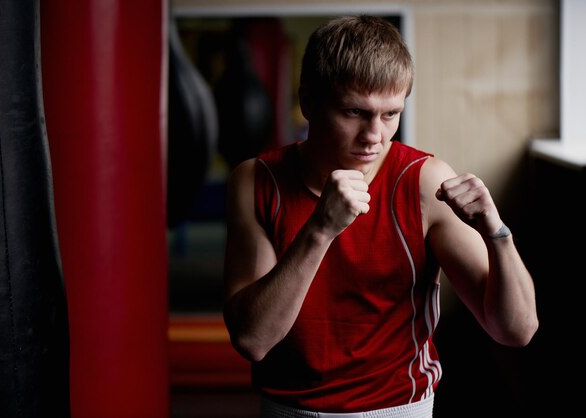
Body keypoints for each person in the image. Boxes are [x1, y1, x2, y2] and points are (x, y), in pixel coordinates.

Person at [222, 15, 538, 418]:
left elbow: (516, 330)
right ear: (308, 103)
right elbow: (253, 339)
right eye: (355, 112)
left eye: (391, 114)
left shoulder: (423, 182)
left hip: (398, 409)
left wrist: (498, 232)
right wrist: (320, 229)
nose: (375, 135)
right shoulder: (256, 180)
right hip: (286, 408)